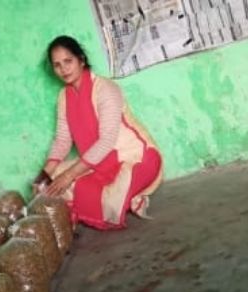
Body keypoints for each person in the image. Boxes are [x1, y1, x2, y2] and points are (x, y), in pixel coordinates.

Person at [34, 35, 162, 230]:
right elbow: (62, 140)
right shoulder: (64, 97)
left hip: (134, 158)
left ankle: (132, 197)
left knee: (108, 203)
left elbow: (106, 141)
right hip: (97, 162)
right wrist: (43, 176)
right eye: (57, 65)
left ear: (81, 60)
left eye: (68, 61)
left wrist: (69, 176)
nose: (63, 69)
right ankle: (112, 197)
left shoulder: (105, 88)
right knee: (49, 187)